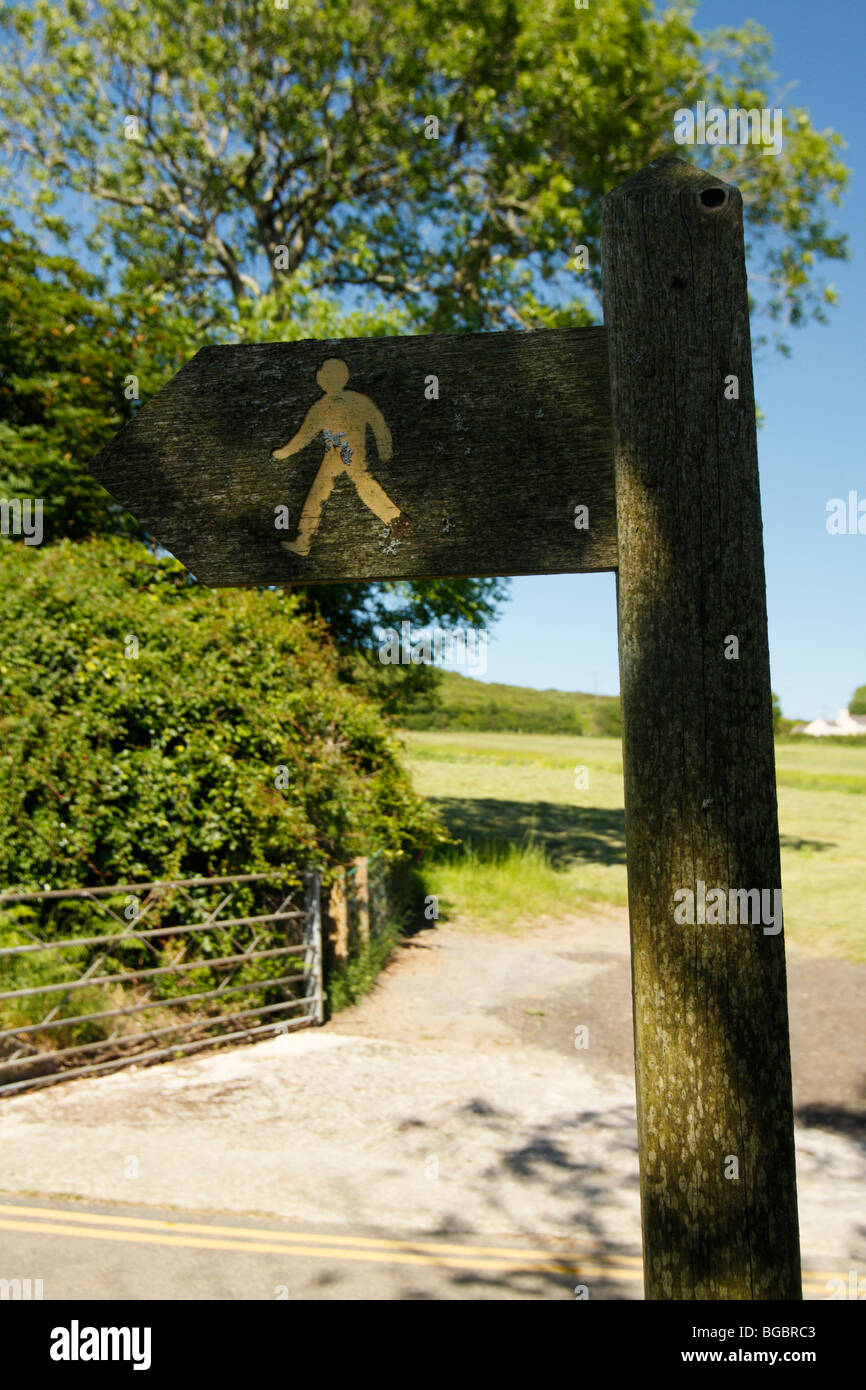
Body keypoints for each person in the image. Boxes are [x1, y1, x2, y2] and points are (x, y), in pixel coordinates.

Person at [272, 358, 410, 557]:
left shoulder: (354, 401)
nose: (328, 381)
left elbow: (378, 423)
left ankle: (397, 519)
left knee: (361, 486)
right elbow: (304, 436)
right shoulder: (322, 406)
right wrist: (283, 452)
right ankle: (303, 540)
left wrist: (385, 448)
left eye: (331, 376)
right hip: (333, 456)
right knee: (321, 493)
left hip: (350, 453)